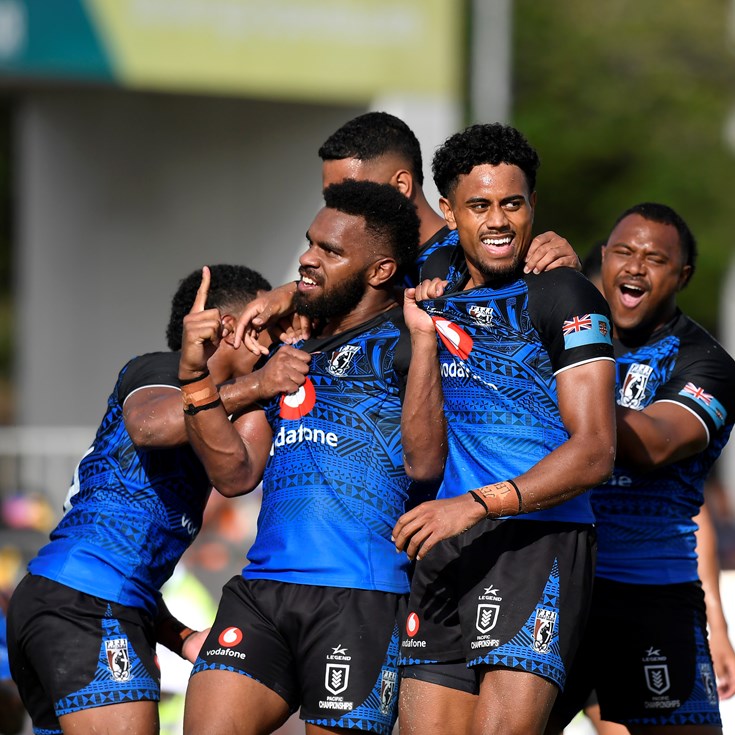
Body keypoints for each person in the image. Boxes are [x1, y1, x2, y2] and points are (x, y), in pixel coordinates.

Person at [389, 122, 618, 735]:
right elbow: (422, 461)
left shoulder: (564, 291)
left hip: (536, 541)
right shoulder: (432, 287)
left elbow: (596, 450)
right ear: (448, 212)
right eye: (480, 205)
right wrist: (423, 339)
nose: (498, 221)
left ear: (533, 205)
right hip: (447, 542)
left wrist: (475, 503)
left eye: (513, 204)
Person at [5, 265, 296, 735]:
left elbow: (237, 476)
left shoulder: (227, 414)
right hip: (84, 605)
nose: (278, 337)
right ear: (228, 328)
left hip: (74, 601)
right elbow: (150, 426)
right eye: (267, 324)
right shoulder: (159, 369)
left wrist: (181, 637)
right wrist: (259, 386)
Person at [181, 179, 421, 735]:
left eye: (329, 251)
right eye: (310, 242)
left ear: (381, 270)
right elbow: (235, 473)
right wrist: (195, 377)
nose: (307, 259)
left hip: (359, 595)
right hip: (261, 591)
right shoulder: (288, 350)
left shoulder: (411, 342)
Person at [546, 203, 735, 735]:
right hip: (554, 586)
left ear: (683, 275)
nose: (635, 267)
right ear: (604, 258)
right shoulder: (556, 333)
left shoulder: (707, 363)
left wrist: (557, 383)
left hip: (650, 595)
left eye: (655, 259)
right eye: (624, 252)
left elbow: (652, 445)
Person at [236, 112, 578, 353]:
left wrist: (568, 271)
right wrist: (294, 294)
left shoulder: (486, 252)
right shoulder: (366, 269)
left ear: (401, 185)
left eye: (351, 192)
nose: (338, 209)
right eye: (332, 197)